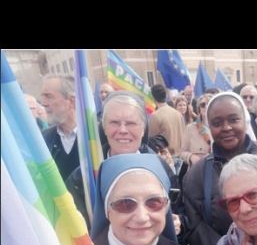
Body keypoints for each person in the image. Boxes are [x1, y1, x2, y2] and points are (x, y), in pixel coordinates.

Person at [182, 91, 257, 245]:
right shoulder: (197, 174)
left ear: (245, 120)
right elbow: (196, 228)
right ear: (209, 126)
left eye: (233, 120)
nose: (226, 127)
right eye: (217, 123)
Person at [66, 92, 182, 232]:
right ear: (104, 128)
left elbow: (179, 212)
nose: (122, 130)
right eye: (114, 123)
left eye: (131, 123)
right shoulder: (82, 178)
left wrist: (178, 223)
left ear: (143, 129)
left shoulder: (162, 170)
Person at [41, 74, 79, 181]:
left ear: (71, 101)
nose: (43, 103)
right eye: (43, 96)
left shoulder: (96, 135)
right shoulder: (44, 139)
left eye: (49, 96)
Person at [148, 84, 186, 156]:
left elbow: (151, 142)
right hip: (181, 157)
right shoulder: (178, 114)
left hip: (167, 159)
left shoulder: (155, 116)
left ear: (153, 97)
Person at [180, 93, 213, 168]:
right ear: (199, 108)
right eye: (203, 105)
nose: (206, 107)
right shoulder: (190, 128)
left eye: (209, 104)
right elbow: (182, 152)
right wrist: (191, 157)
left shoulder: (219, 127)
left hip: (214, 169)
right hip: (196, 170)